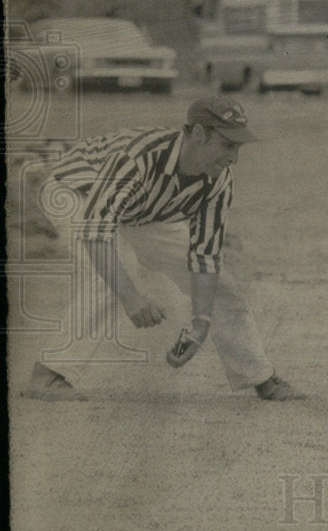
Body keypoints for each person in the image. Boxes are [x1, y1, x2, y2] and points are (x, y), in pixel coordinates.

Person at [22, 96, 304, 402]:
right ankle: (48, 376)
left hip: (144, 208)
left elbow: (205, 256)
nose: (233, 157)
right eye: (227, 145)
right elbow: (96, 234)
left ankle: (261, 377)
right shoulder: (138, 159)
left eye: (238, 147)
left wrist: (201, 322)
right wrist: (131, 298)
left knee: (223, 284)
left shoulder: (219, 179)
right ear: (198, 134)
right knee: (115, 272)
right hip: (76, 191)